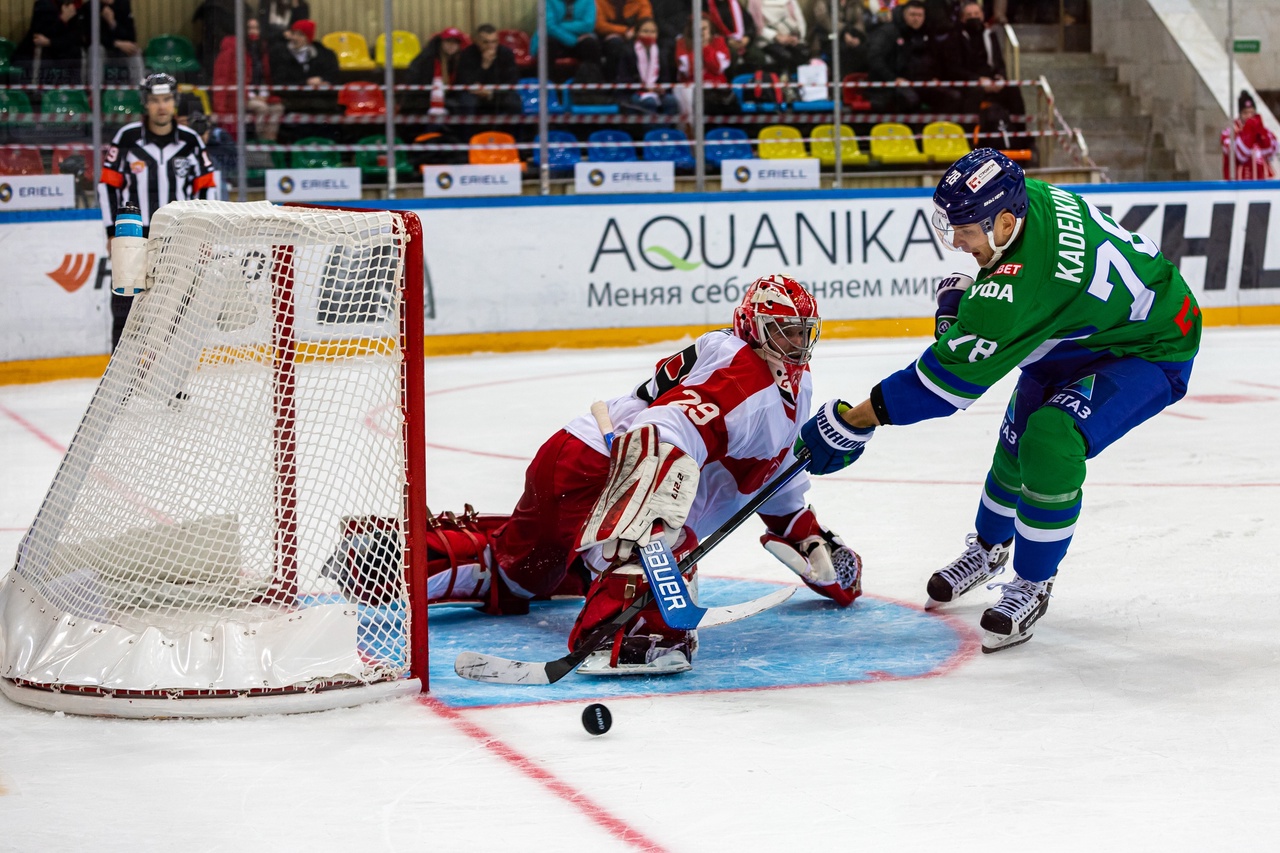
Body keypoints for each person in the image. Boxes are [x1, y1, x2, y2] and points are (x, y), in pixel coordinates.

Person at [799, 149, 1201, 653]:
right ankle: (990, 550)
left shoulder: (1017, 289)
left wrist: (856, 421)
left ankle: (1032, 583)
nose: (957, 243)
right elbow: (978, 334)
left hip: (1150, 345)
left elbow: (942, 386)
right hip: (1079, 332)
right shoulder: (1025, 199)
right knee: (1015, 444)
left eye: (964, 231)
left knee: (1050, 441)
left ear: (1004, 221)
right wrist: (959, 315)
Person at [386, 276, 863, 676]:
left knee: (518, 573)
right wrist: (650, 516)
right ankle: (626, 638)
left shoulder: (778, 380)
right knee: (657, 544)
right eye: (783, 333)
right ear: (753, 329)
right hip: (601, 473)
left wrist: (811, 542)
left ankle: (399, 564)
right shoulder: (747, 375)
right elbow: (666, 424)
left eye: (802, 333)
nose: (796, 345)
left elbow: (771, 478)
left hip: (573, 453)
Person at [98, 73, 217, 349]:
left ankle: (170, 382)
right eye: (154, 100)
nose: (161, 107)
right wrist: (110, 231)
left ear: (174, 101)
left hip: (180, 236)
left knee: (177, 311)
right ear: (145, 104)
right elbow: (108, 185)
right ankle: (122, 383)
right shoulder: (126, 138)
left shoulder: (191, 141)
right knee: (124, 308)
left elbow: (206, 186)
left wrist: (205, 232)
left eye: (166, 99)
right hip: (133, 237)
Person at [866, 0, 958, 114]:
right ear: (904, 15)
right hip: (892, 85)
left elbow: (935, 59)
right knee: (910, 99)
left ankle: (938, 129)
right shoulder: (889, 32)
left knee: (953, 97)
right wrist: (893, 79)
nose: (916, 18)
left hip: (921, 82)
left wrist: (935, 76)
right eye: (912, 15)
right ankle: (911, 130)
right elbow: (875, 58)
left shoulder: (927, 33)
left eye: (920, 15)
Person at [939, 0, 1024, 116]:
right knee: (975, 92)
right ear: (962, 19)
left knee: (1013, 89)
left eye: (976, 14)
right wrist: (978, 79)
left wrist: (1000, 77)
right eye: (969, 15)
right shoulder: (954, 38)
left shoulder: (990, 35)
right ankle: (970, 130)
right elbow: (954, 68)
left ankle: (1020, 132)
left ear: (982, 15)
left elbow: (999, 62)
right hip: (968, 82)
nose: (974, 17)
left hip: (991, 79)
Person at [212, 16, 282, 141]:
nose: (253, 31)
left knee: (278, 108)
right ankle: (259, 141)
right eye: (249, 28)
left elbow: (264, 77)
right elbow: (225, 79)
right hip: (240, 97)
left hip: (260, 94)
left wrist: (264, 95)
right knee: (262, 108)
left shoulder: (263, 49)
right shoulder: (235, 49)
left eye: (256, 28)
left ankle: (269, 142)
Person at [267, 19, 340, 125]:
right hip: (293, 102)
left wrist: (324, 82)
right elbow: (280, 82)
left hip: (320, 103)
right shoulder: (280, 55)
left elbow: (333, 77)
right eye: (293, 33)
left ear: (308, 37)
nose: (295, 38)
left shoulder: (325, 55)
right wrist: (306, 83)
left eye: (300, 34)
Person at [451, 25, 521, 116]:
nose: (491, 46)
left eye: (494, 42)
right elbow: (463, 80)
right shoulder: (467, 54)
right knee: (467, 102)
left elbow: (512, 80)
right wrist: (484, 66)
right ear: (477, 41)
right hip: (474, 92)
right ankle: (468, 130)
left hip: (498, 92)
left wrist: (491, 93)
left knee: (513, 101)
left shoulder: (505, 53)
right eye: (486, 42)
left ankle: (512, 130)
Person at [12, 0, 84, 87]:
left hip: (59, 53)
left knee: (76, 51)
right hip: (31, 56)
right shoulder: (43, 5)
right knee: (42, 49)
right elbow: (40, 35)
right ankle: (36, 92)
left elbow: (74, 38)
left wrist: (51, 42)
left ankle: (75, 92)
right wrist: (62, 20)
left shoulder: (73, 8)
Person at [617, 17, 679, 114]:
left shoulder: (662, 52)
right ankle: (652, 129)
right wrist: (644, 87)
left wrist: (660, 88)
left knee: (671, 101)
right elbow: (624, 78)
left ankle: (665, 129)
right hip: (633, 92)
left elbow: (665, 77)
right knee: (649, 103)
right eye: (645, 31)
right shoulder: (628, 51)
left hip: (656, 92)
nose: (649, 35)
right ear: (637, 33)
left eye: (653, 32)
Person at [78, 0, 142, 85]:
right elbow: (90, 38)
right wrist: (116, 43)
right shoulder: (90, 6)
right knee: (95, 49)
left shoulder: (123, 4)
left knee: (134, 51)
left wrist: (112, 23)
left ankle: (140, 91)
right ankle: (94, 93)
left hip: (121, 52)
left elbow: (131, 36)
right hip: (104, 51)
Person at [405, 28, 468, 114]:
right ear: (441, 43)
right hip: (422, 98)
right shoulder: (427, 59)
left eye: (456, 42)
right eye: (448, 41)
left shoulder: (458, 60)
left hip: (444, 96)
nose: (451, 45)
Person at [1221, 91, 1277, 181]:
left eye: (1252, 112)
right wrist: (1249, 131)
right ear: (1240, 114)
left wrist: (1261, 133)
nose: (1249, 116)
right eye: (1245, 113)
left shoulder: (1263, 130)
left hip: (1263, 184)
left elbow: (1271, 151)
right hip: (1239, 186)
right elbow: (1241, 155)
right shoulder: (1229, 133)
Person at [596, 0, 654, 81]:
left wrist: (634, 32)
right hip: (608, 39)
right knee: (615, 43)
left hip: (636, 37)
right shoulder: (599, 2)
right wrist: (625, 31)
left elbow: (646, 22)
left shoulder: (641, 2)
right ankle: (612, 82)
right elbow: (600, 25)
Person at [750, 0, 810, 74]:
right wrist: (776, 36)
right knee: (784, 56)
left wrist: (797, 37)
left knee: (803, 52)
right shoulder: (754, 2)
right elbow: (755, 25)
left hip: (791, 37)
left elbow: (799, 19)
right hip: (768, 41)